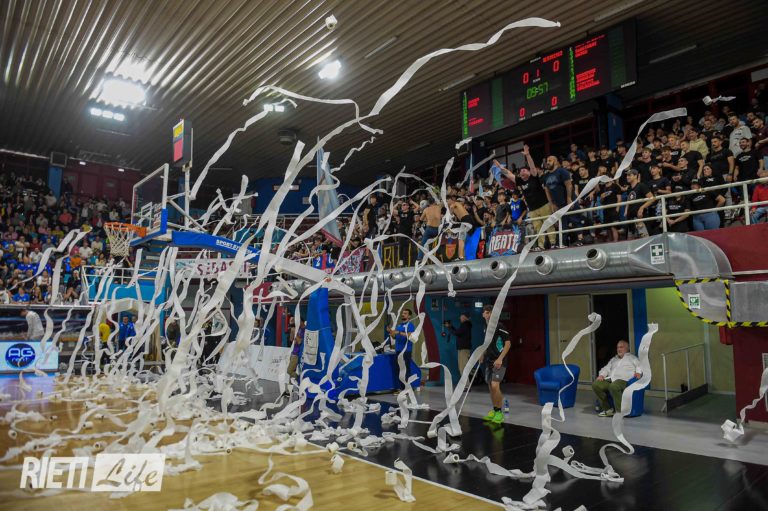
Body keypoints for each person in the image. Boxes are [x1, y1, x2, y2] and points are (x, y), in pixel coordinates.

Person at [592, 340, 642, 417]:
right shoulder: (613, 359)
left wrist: (638, 372)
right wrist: (602, 375)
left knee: (614, 386)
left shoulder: (632, 358)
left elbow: (639, 365)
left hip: (623, 380)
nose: (619, 349)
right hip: (611, 379)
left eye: (621, 347)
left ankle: (620, 412)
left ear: (627, 348)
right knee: (596, 384)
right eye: (618, 347)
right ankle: (608, 409)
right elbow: (606, 368)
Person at [480, 305, 511, 425]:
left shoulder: (499, 326)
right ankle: (495, 409)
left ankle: (499, 413)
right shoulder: (485, 327)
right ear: (483, 314)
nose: (488, 315)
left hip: (499, 361)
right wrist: (482, 354)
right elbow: (486, 343)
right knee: (490, 386)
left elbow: (508, 344)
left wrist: (500, 358)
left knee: (494, 385)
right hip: (489, 360)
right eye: (486, 313)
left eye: (490, 312)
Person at [388, 308, 415, 392]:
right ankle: (400, 388)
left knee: (406, 369)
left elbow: (410, 335)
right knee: (399, 369)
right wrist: (391, 332)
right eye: (403, 313)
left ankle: (406, 388)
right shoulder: (399, 326)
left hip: (406, 351)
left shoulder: (410, 325)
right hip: (398, 351)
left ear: (409, 316)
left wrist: (399, 332)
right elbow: (395, 337)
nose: (403, 314)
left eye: (405, 313)